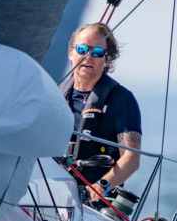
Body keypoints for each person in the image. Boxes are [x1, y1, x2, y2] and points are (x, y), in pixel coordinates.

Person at [61, 22, 142, 202]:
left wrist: (100, 187)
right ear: (71, 53)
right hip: (51, 190)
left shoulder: (122, 99)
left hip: (94, 199)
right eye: (82, 49)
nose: (88, 56)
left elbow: (131, 157)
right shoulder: (56, 95)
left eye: (97, 52)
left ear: (106, 59)